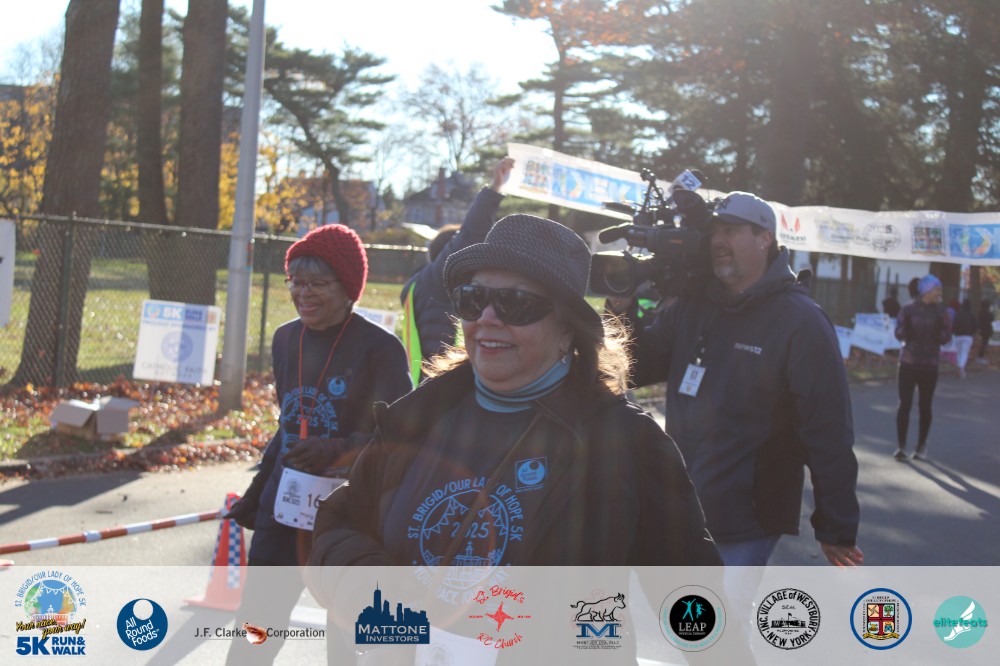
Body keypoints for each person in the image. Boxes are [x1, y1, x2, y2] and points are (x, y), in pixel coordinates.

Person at [308, 214, 722, 663]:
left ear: (567, 330)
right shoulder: (419, 417)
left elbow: (694, 603)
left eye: (516, 304)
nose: (487, 318)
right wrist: (368, 587)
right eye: (473, 299)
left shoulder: (624, 442)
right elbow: (339, 525)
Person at [614, 191, 863, 568]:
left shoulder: (801, 320)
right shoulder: (695, 305)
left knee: (718, 607)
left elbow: (828, 429)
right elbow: (634, 367)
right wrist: (620, 308)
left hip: (746, 521)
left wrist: (836, 525)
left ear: (764, 238)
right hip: (680, 509)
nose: (717, 241)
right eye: (715, 232)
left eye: (730, 231)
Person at [224, 224, 411, 664]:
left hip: (351, 515)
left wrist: (335, 449)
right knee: (257, 621)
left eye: (317, 284)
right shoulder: (285, 338)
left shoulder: (380, 348)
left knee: (346, 636)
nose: (302, 293)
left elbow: (399, 440)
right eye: (295, 281)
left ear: (347, 287)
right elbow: (288, 425)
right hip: (285, 505)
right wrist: (258, 491)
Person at [400, 157, 514, 384]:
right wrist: (494, 189)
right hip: (442, 385)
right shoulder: (436, 279)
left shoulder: (419, 286)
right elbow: (470, 234)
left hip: (426, 385)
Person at [894, 274, 951, 462]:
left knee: (925, 406)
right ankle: (901, 446)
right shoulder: (908, 309)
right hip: (908, 363)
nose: (939, 293)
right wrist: (906, 331)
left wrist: (939, 335)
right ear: (926, 290)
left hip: (930, 365)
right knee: (905, 404)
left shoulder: (942, 312)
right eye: (937, 289)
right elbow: (897, 332)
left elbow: (947, 336)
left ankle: (921, 446)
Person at [951, 298, 977, 378]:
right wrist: (973, 332)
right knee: (964, 352)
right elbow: (975, 326)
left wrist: (953, 332)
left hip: (958, 336)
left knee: (959, 353)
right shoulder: (972, 314)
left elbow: (954, 324)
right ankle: (961, 368)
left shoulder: (958, 314)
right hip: (968, 336)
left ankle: (959, 367)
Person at [976, 299, 994, 365]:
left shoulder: (980, 312)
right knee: (984, 343)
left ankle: (981, 356)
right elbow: (992, 319)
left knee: (983, 343)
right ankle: (980, 357)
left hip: (982, 330)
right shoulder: (988, 312)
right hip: (987, 330)